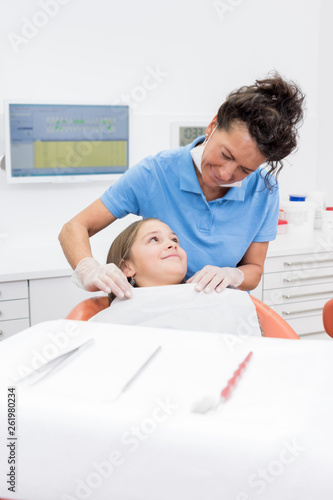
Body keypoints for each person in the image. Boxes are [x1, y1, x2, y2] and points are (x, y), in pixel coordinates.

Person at [58, 72, 305, 299]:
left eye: (245, 170)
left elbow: (254, 268)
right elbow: (74, 227)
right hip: (161, 310)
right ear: (212, 126)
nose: (226, 173)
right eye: (226, 155)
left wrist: (232, 275)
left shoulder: (264, 189)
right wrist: (88, 269)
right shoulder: (155, 173)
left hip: (224, 315)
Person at [89, 217, 261, 337]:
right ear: (127, 267)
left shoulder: (222, 297)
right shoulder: (110, 320)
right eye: (154, 239)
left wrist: (232, 275)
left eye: (175, 240)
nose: (171, 244)